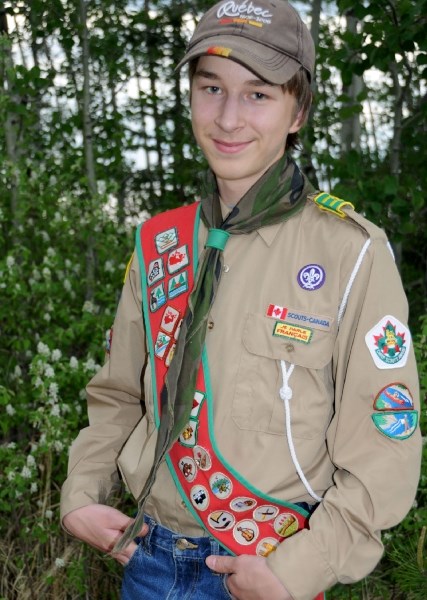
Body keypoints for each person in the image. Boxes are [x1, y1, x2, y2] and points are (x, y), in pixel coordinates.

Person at [60, 1, 422, 599]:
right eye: (212, 88)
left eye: (258, 94)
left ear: (298, 109)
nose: (229, 118)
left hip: (265, 571)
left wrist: (298, 570)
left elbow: (387, 437)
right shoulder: (161, 245)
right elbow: (120, 393)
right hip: (146, 564)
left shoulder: (350, 252)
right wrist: (81, 493)